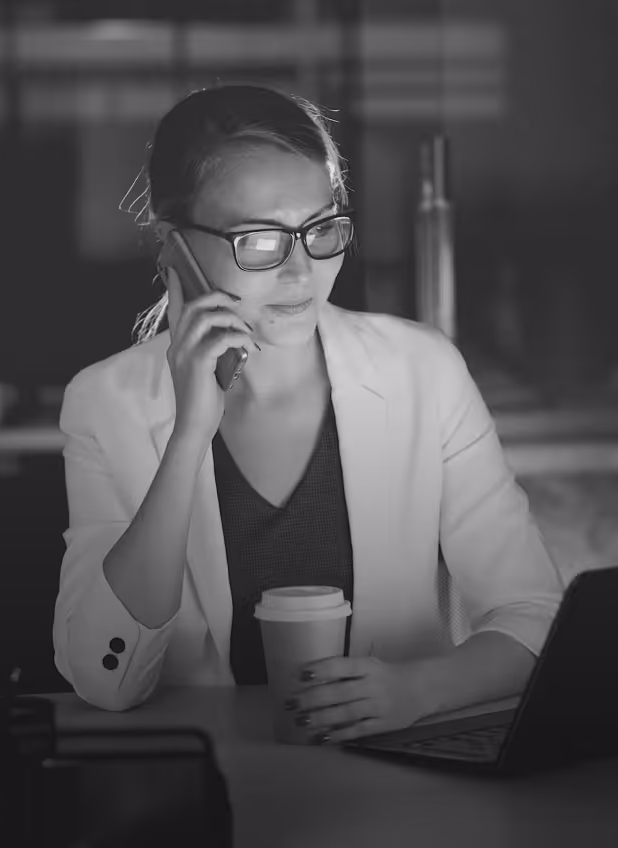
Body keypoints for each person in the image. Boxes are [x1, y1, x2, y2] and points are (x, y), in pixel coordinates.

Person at [53, 83, 563, 743]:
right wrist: (187, 439)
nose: (301, 272)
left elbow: (535, 614)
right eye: (260, 241)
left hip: (397, 787)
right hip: (202, 790)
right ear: (178, 250)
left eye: (320, 230)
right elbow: (105, 679)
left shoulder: (422, 371)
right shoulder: (105, 404)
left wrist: (420, 689)